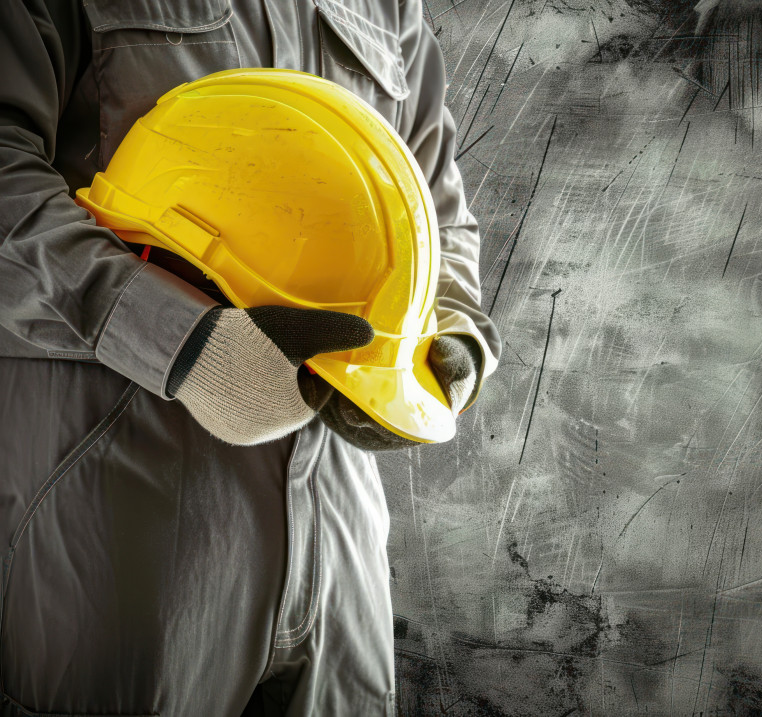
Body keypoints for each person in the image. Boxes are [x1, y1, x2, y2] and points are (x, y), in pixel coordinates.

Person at [0, 1, 500, 714]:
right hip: (115, 530)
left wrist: (451, 331)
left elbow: (429, 196)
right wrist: (183, 344)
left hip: (340, 538)